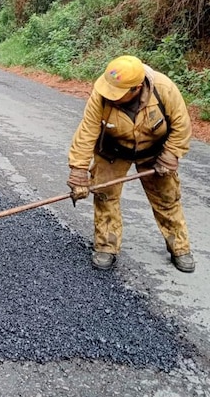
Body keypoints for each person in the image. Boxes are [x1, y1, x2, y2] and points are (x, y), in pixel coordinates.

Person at [66, 55, 195, 273]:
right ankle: (106, 247)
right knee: (104, 194)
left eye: (118, 95)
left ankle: (180, 248)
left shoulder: (164, 89)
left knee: (167, 199)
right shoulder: (102, 93)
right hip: (112, 150)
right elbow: (87, 131)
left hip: (155, 151)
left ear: (136, 88)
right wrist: (78, 171)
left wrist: (171, 154)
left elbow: (182, 126)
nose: (111, 97)